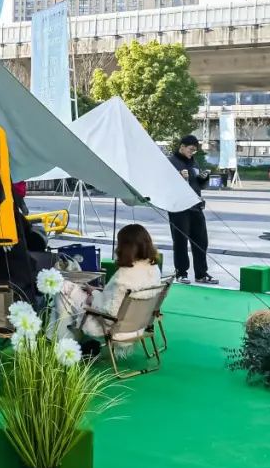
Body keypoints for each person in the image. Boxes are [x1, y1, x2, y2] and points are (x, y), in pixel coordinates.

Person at [54, 224, 163, 358]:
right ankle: (66, 342)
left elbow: (109, 315)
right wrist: (95, 292)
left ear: (126, 247)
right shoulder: (154, 269)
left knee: (63, 289)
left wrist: (93, 296)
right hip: (138, 326)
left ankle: (66, 346)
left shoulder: (124, 276)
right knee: (73, 290)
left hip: (112, 327)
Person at [167, 135, 218, 285]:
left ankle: (201, 274)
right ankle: (181, 273)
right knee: (180, 241)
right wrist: (178, 177)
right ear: (182, 147)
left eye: (194, 150)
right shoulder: (171, 162)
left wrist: (203, 178)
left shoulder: (194, 162)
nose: (192, 153)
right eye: (190, 149)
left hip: (196, 206)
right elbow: (164, 183)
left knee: (201, 241)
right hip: (179, 208)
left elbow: (198, 184)